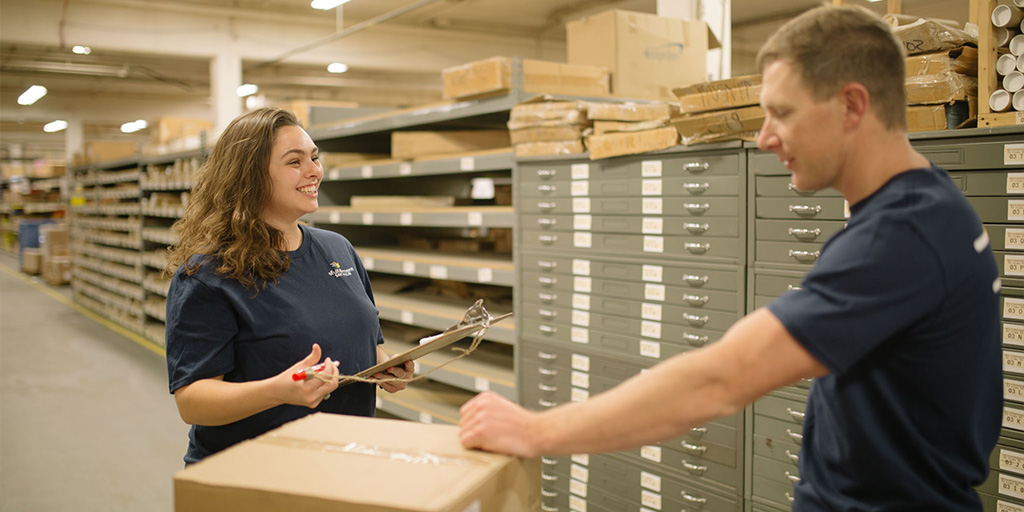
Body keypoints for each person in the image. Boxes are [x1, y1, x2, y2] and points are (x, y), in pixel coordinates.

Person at [459, 6, 1001, 510]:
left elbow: (721, 380)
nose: (765, 138)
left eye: (781, 113)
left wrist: (537, 431)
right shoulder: (933, 202)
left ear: (852, 105)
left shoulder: (897, 238)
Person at [165, 107, 414, 465]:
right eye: (294, 161)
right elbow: (192, 402)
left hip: (342, 459)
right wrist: (277, 391)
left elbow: (366, 345)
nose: (314, 171)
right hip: (252, 472)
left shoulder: (337, 249)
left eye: (314, 157)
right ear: (250, 177)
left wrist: (388, 368)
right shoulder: (209, 274)